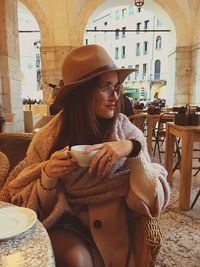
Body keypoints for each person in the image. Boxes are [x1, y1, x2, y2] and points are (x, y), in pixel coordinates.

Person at [9, 44, 170, 267]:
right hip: (62, 225)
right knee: (76, 259)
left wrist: (131, 150)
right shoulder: (46, 138)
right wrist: (48, 176)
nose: (115, 95)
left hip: (112, 233)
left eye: (116, 86)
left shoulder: (127, 133)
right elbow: (33, 208)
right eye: (105, 87)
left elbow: (148, 200)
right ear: (81, 92)